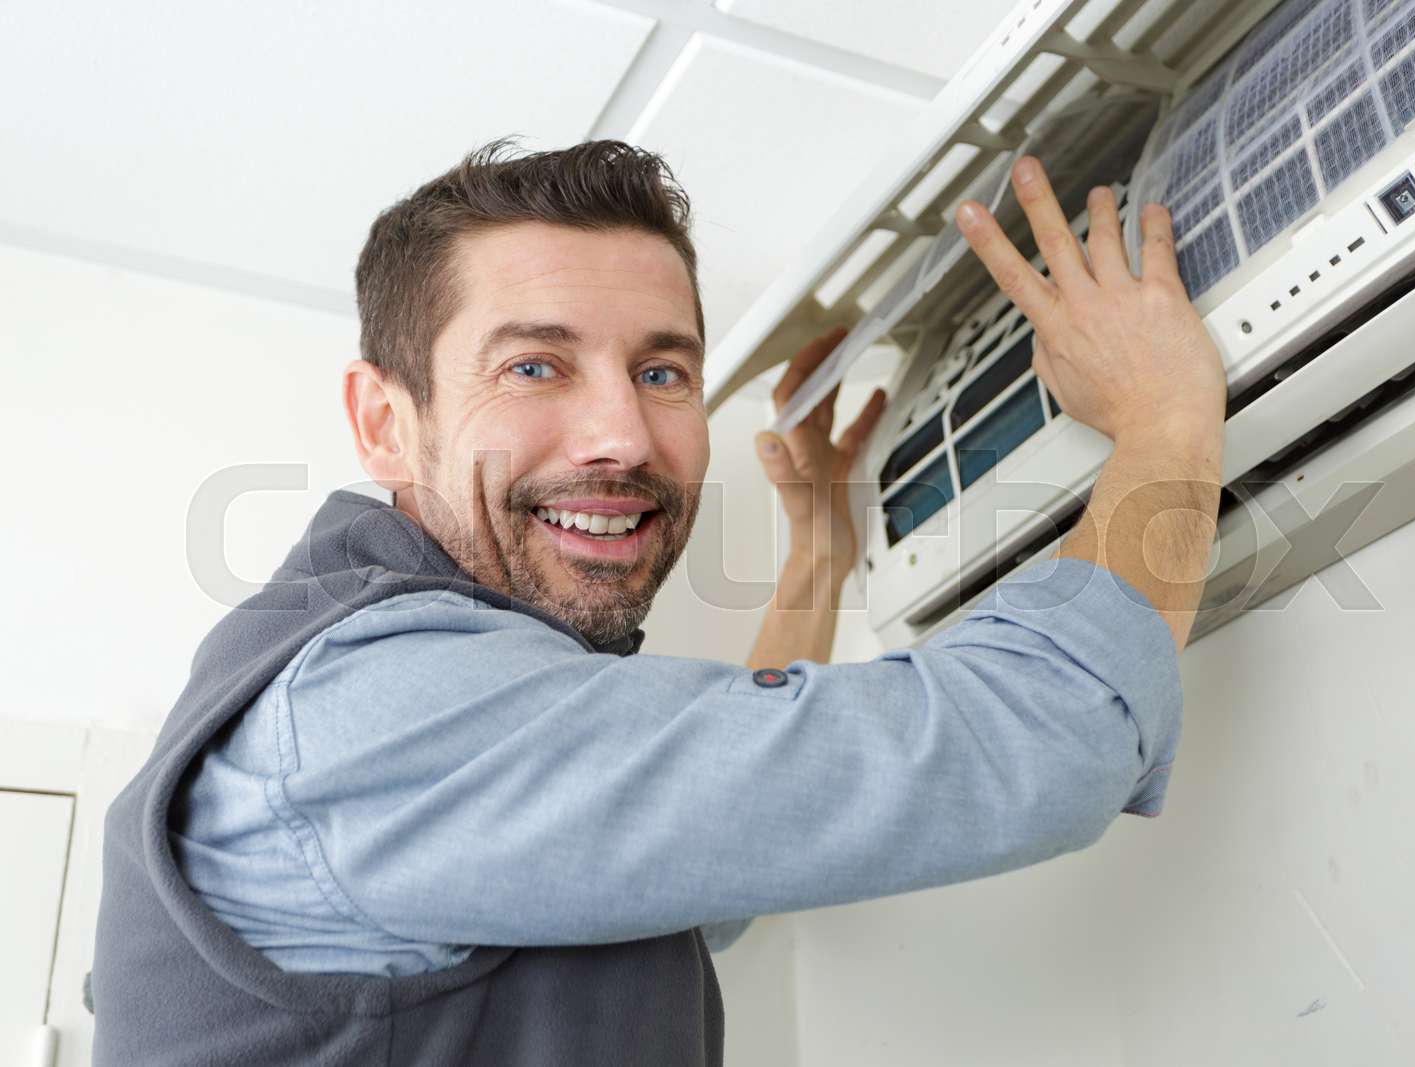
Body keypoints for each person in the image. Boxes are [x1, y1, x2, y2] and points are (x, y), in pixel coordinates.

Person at [91, 139, 1225, 1065]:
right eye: (535, 366)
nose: (624, 436)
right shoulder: (371, 705)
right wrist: (1168, 416)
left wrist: (818, 555)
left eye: (663, 371)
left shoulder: (441, 709)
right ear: (386, 420)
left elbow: (705, 869)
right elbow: (1054, 733)